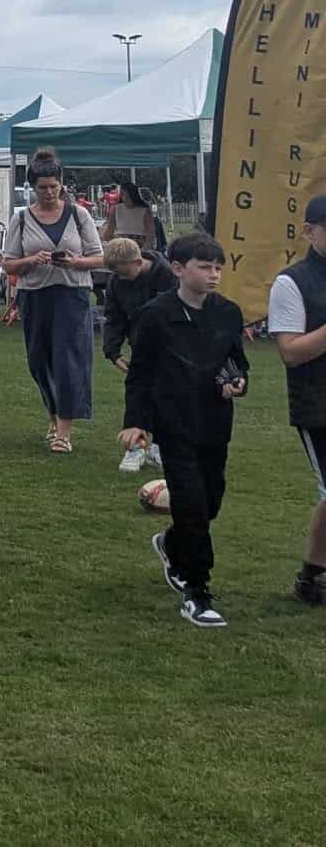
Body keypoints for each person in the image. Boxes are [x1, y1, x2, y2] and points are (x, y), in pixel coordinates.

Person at [120, 234, 248, 628]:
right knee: (191, 503)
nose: (213, 275)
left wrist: (235, 382)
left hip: (214, 423)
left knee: (209, 504)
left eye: (218, 268)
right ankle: (196, 591)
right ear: (178, 269)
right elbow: (140, 374)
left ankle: (172, 543)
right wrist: (136, 423)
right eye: (204, 267)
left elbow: (236, 363)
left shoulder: (228, 313)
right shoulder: (155, 315)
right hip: (173, 425)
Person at [2, 148, 105, 453]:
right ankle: (52, 413)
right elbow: (8, 264)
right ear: (32, 188)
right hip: (34, 297)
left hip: (71, 296)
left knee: (69, 360)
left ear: (62, 184)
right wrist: (32, 260)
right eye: (42, 187)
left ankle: (64, 431)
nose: (49, 192)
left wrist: (76, 263)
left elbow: (99, 257)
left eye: (54, 186)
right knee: (39, 361)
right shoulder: (20, 219)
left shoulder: (79, 214)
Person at [266, 193, 326, 608]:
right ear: (308, 230)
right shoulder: (292, 282)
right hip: (319, 403)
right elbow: (290, 351)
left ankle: (311, 576)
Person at [100, 235, 177, 473]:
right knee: (136, 397)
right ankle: (134, 449)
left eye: (123, 273)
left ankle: (160, 447)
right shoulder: (115, 282)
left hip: (172, 349)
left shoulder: (169, 278)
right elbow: (114, 318)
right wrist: (112, 350)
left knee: (168, 398)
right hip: (140, 349)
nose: (120, 279)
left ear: (137, 261)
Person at [105, 181, 162, 251]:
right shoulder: (116, 209)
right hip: (121, 247)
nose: (125, 198)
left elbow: (150, 236)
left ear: (134, 195)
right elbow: (108, 233)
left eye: (128, 195)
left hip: (140, 247)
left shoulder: (145, 211)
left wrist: (144, 250)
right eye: (122, 194)